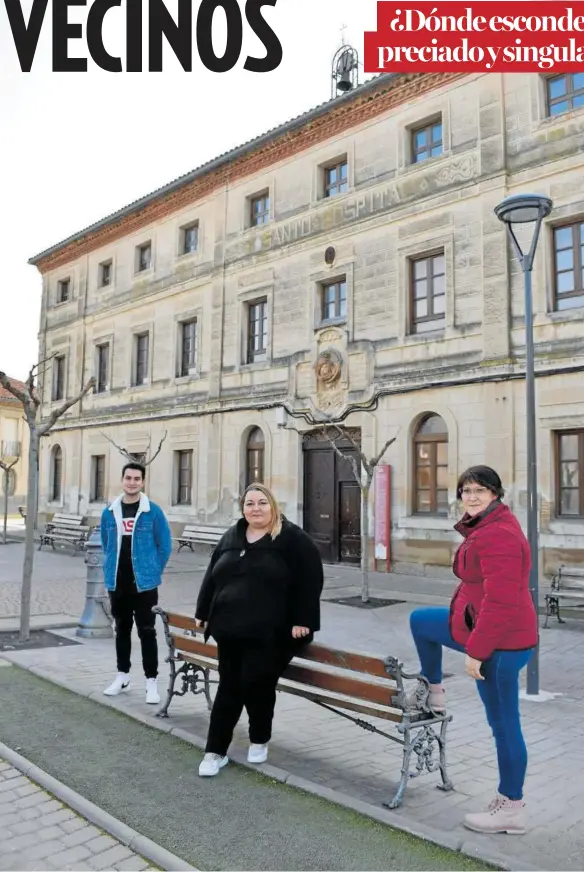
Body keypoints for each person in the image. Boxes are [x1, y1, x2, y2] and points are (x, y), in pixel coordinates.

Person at [406, 466, 537, 835]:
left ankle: (511, 807)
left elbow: (500, 601)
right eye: (466, 490)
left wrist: (477, 652)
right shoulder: (484, 526)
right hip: (477, 628)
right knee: (420, 621)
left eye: (480, 490)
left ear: (496, 493)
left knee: (503, 724)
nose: (472, 496)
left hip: (500, 644)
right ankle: (433, 690)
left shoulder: (499, 535)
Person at [195, 483, 324, 777]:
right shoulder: (232, 536)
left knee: (253, 683)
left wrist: (303, 620)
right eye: (250, 503)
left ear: (273, 505)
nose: (256, 509)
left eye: (262, 503)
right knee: (234, 685)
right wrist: (203, 612)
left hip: (274, 633)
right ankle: (218, 750)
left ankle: (250, 740)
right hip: (230, 630)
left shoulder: (292, 538)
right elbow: (213, 576)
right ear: (243, 509)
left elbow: (310, 579)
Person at [101, 461, 172, 705]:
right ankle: (122, 676)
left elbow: (165, 546)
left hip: (144, 585)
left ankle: (151, 681)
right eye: (128, 478)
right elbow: (106, 544)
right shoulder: (110, 512)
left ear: (142, 482)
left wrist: (152, 571)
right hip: (117, 584)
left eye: (136, 478)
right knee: (121, 629)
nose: (132, 482)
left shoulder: (152, 511)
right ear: (122, 480)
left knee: (147, 632)